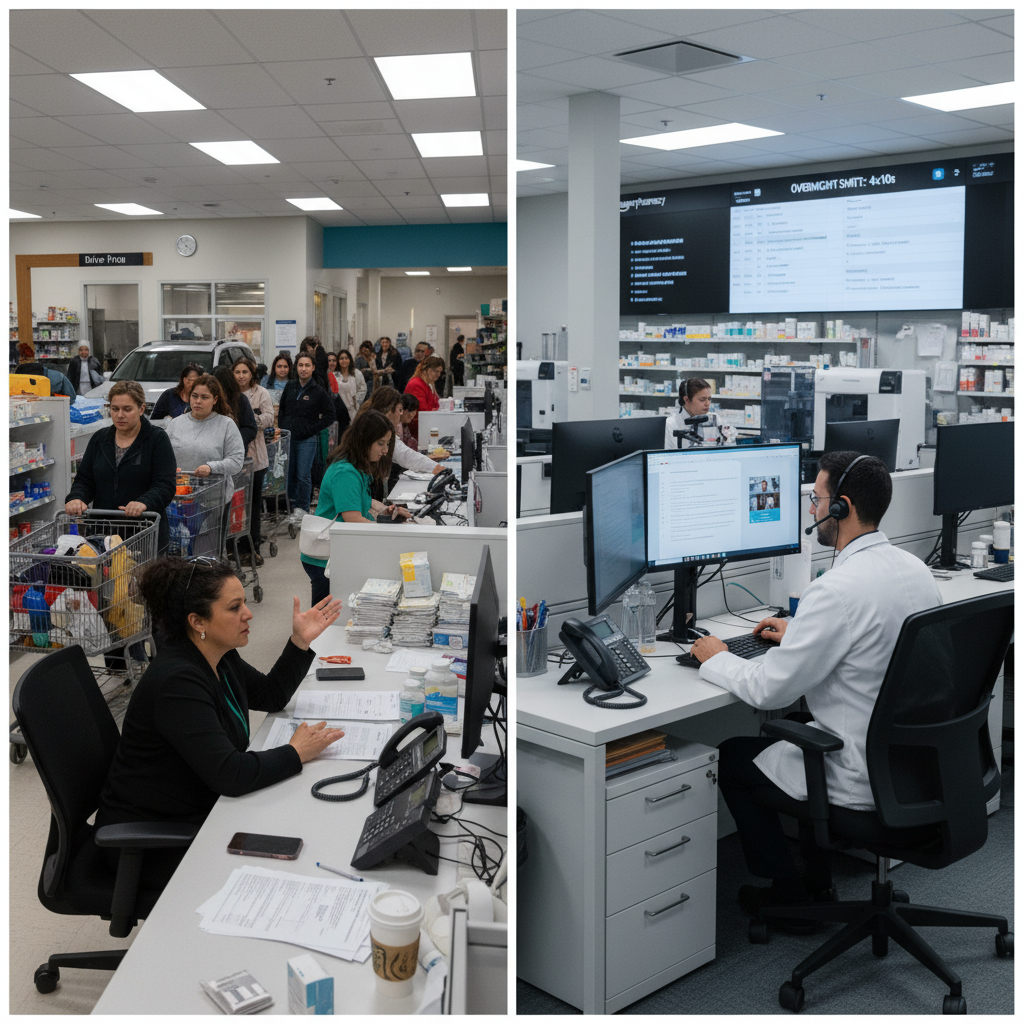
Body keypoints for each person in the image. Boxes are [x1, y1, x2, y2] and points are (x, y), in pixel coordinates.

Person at [687, 452, 942, 925]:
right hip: (916, 766)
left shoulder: (836, 590)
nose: (810, 510)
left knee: (733, 757)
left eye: (816, 499)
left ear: (840, 508)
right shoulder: (913, 569)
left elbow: (767, 691)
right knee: (786, 735)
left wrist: (715, 655)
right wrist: (802, 635)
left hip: (863, 778)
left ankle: (790, 895)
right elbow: (875, 639)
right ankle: (817, 879)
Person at [94, 556, 345, 889]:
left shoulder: (218, 655)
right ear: (198, 621)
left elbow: (270, 695)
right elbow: (231, 774)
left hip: (202, 806)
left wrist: (300, 641)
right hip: (154, 839)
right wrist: (295, 752)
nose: (248, 614)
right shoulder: (177, 682)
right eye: (234, 607)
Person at [299, 410, 411, 604]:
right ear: (364, 440)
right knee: (322, 616)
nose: (385, 451)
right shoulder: (346, 472)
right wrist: (386, 533)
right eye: (380, 443)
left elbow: (362, 501)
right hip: (325, 557)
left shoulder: (356, 466)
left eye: (387, 444)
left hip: (338, 549)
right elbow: (353, 519)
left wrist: (385, 510)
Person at [65, 379, 176, 555]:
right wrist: (77, 498)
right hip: (102, 535)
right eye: (115, 409)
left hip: (143, 534)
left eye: (127, 409)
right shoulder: (100, 439)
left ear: (141, 409)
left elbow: (165, 485)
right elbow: (85, 480)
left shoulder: (156, 439)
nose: (120, 415)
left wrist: (144, 502)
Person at [278, 352, 335, 522]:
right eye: (300, 365)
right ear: (296, 367)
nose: (303, 369)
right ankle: (292, 507)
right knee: (290, 474)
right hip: (288, 439)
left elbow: (330, 415)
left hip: (307, 440)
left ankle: (302, 509)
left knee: (303, 474)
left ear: (313, 368)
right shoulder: (291, 386)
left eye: (307, 365)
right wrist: (282, 428)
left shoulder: (318, 391)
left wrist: (312, 429)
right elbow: (282, 409)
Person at [165, 374, 245, 482]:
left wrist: (211, 468)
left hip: (215, 494)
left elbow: (236, 461)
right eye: (194, 396)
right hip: (180, 493)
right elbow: (161, 456)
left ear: (215, 399)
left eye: (204, 397)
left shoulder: (226, 425)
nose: (198, 401)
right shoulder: (175, 424)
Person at [233, 357, 274, 566]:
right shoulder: (229, 394)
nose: (241, 376)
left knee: (253, 505)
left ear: (252, 374)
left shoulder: (261, 393)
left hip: (255, 458)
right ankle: (236, 547)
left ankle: (253, 547)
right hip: (234, 461)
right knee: (236, 507)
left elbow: (269, 418)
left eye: (245, 372)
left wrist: (251, 419)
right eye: (237, 372)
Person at [213, 365, 258, 454]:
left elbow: (250, 428)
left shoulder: (240, 399)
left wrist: (233, 441)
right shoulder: (208, 399)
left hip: (234, 452)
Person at [403, 355, 444, 446]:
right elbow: (422, 413)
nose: (438, 375)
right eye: (435, 371)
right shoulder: (416, 385)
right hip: (417, 432)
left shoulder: (428, 384)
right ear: (426, 369)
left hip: (425, 429)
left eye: (440, 372)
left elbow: (437, 404)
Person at [664, 377, 714, 448]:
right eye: (702, 400)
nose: (707, 403)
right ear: (687, 400)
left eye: (709, 399)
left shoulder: (713, 419)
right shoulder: (670, 424)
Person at [333, 348, 366, 420]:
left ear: (350, 360)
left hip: (352, 410)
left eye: (346, 358)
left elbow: (363, 389)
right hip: (338, 410)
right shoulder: (334, 375)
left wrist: (355, 400)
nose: (344, 360)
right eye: (341, 358)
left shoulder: (357, 373)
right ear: (338, 361)